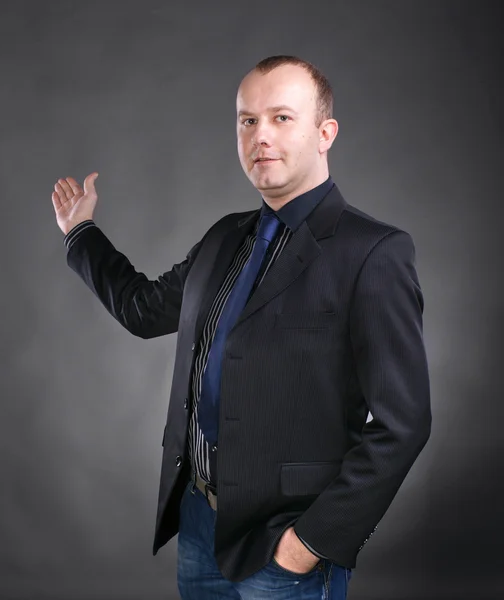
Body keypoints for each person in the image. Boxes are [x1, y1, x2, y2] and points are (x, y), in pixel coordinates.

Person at [51, 55, 431, 600]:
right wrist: (80, 232)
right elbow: (143, 310)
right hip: (199, 523)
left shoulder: (372, 252)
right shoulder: (224, 239)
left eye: (281, 118)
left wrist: (312, 541)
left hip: (287, 542)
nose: (261, 136)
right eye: (247, 120)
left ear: (325, 133)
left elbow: (404, 422)